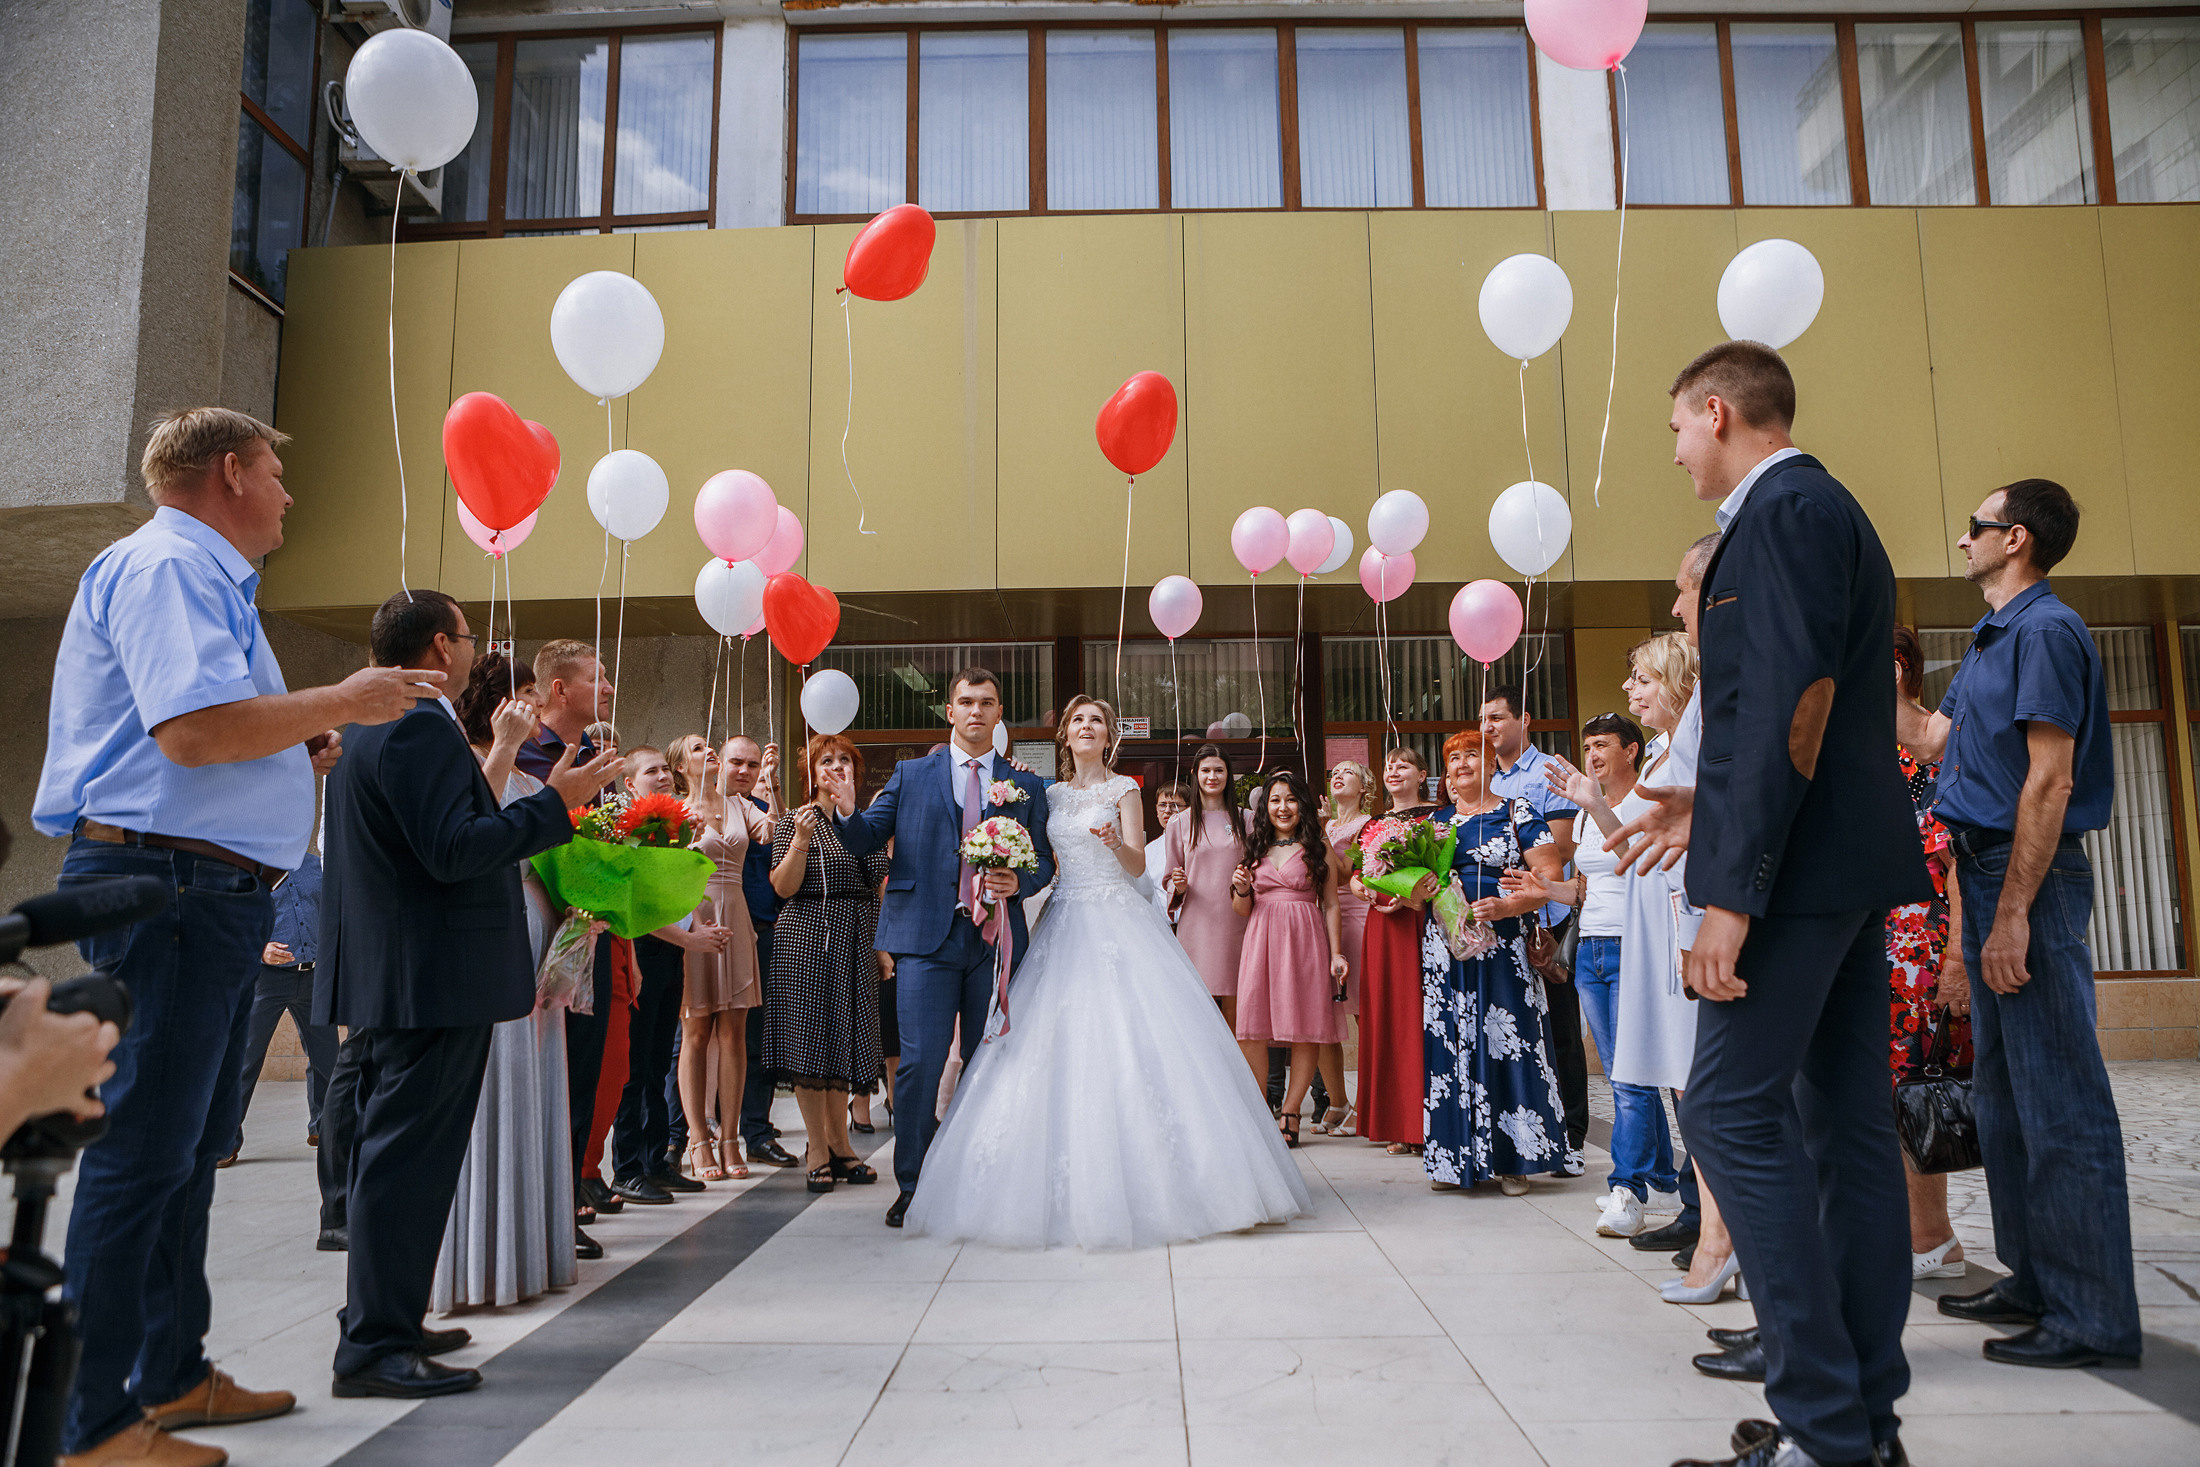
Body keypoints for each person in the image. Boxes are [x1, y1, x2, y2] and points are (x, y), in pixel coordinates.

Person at [34, 408, 439, 1467]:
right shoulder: (172, 564)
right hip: (171, 887)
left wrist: (292, 743)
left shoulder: (200, 576)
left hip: (196, 887)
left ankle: (169, 1374)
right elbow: (193, 731)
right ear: (229, 473)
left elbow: (204, 736)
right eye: (274, 473)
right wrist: (343, 698)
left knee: (183, 1152)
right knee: (144, 1152)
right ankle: (91, 1424)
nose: (287, 495)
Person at [1647, 342, 1931, 1467]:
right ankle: (1860, 1427)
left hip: (1798, 879)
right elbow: (1793, 714)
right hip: (1838, 867)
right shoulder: (1819, 510)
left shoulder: (1781, 515)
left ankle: (1823, 1425)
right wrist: (1701, 811)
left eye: (1678, 428)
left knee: (1725, 1113)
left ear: (1718, 412)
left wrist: (1733, 890)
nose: (1677, 451)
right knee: (1845, 1132)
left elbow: (1789, 708)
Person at [318, 590, 620, 1400]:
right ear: (440, 648)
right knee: (405, 1162)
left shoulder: (371, 721)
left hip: (404, 972)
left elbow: (430, 838)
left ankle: (387, 1317)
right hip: (430, 976)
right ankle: (374, 1344)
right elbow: (454, 850)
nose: (475, 649)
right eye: (468, 635)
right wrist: (556, 804)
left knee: (400, 1158)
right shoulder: (418, 724)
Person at [904, 696, 1309, 1248]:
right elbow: (1036, 856)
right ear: (1066, 736)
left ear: (1109, 734)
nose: (1086, 727)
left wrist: (1118, 843)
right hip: (1064, 917)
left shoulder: (1125, 790)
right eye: (1078, 721)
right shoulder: (1048, 793)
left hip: (1117, 917)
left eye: (1096, 720)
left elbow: (1140, 865)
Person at [1911, 478, 2141, 1372]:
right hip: (1987, 870)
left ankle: (2093, 1317)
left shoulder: (2046, 631)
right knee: (2005, 1101)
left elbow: (2050, 781)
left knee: (2060, 1101)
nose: (1961, 538)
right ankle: (2036, 1280)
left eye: (1973, 526)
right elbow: (1933, 741)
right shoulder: (1992, 636)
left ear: (2015, 538)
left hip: (2027, 878)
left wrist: (2011, 917)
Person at [823, 669, 1057, 1228]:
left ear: (999, 714)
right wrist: (848, 810)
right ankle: (914, 1185)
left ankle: (979, 1185)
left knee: (988, 1064)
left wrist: (1019, 881)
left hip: (995, 940)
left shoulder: (1025, 784)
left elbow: (1046, 860)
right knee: (920, 1065)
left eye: (987, 702)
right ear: (949, 712)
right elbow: (865, 839)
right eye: (966, 702)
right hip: (925, 939)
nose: (976, 711)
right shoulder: (910, 774)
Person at [433, 651, 585, 1310]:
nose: (535, 706)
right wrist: (506, 750)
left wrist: (580, 913)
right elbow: (471, 836)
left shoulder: (526, 775)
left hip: (536, 936)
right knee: (493, 1081)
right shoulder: (464, 762)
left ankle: (528, 1252)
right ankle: (479, 1259)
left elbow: (550, 859)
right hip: (490, 933)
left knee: (534, 1082)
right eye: (524, 695)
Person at [1524, 711, 1676, 1237]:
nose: (1592, 756)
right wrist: (1545, 889)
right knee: (1623, 1074)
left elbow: (1638, 860)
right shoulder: (1588, 812)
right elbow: (1585, 889)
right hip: (1591, 949)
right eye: (1587, 746)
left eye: (1603, 745)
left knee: (1632, 1078)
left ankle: (1627, 1188)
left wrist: (1594, 804)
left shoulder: (1646, 799)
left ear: (1631, 751)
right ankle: (1663, 1178)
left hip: (1635, 945)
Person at [1417, 731, 1574, 1195]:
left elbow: (1549, 878)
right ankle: (1453, 1160)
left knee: (1509, 1042)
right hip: (1447, 949)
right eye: (1454, 758)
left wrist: (1508, 907)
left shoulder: (1517, 812)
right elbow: (1412, 893)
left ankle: (1514, 1161)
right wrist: (1412, 890)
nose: (1463, 763)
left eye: (1473, 755)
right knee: (1451, 1043)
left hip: (1503, 946)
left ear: (1491, 766)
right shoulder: (1434, 823)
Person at [519, 640, 623, 1223]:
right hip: (538, 928)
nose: (608, 687)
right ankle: (536, 1205)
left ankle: (567, 1199)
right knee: (541, 1070)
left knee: (584, 1066)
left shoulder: (597, 758)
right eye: (597, 677)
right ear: (559, 689)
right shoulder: (524, 754)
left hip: (590, 928)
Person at [769, 736, 894, 1197]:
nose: (837, 766)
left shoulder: (864, 823)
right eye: (827, 760)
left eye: (845, 760)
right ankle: (817, 1149)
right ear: (812, 772)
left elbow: (877, 883)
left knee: (845, 1039)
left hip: (856, 936)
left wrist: (881, 947)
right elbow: (782, 887)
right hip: (806, 935)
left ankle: (841, 1145)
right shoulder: (795, 821)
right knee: (810, 1043)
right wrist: (801, 841)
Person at [1889, 625, 1973, 1282]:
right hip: (1877, 943)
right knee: (1882, 1093)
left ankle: (1933, 1236)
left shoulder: (1927, 757)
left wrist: (1957, 961)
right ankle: (1910, 1233)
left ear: (1894, 670)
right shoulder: (1871, 752)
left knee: (1915, 1088)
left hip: (1919, 948)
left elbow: (1957, 865)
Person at [608, 746, 723, 1204]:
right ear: (630, 783)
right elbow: (635, 905)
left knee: (658, 1062)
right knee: (635, 1067)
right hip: (641, 951)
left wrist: (696, 926)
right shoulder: (624, 832)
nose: (661, 777)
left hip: (671, 954)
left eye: (662, 770)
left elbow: (679, 893)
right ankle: (627, 1168)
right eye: (650, 771)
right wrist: (690, 940)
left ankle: (656, 1161)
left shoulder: (673, 829)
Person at [1481, 686, 1588, 1161]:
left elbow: (1560, 850)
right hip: (1497, 925)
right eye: (1484, 719)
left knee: (1560, 1030)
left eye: (1497, 717)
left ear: (1524, 719)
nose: (1488, 727)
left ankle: (1572, 1134)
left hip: (1546, 920)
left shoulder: (1547, 772)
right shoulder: (1483, 778)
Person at [669, 734, 771, 1180]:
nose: (708, 749)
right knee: (695, 1031)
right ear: (680, 767)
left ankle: (731, 1138)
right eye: (696, 748)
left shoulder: (739, 804)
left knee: (735, 1033)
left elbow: (773, 832)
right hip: (695, 916)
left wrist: (772, 783)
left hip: (737, 914)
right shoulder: (674, 809)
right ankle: (697, 1137)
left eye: (709, 745)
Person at [1232, 770, 1352, 1145]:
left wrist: (1336, 952)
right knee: (1252, 1027)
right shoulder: (1254, 847)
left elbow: (1331, 904)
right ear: (1265, 808)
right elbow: (1241, 909)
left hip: (1305, 938)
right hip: (1261, 938)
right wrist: (1241, 890)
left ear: (1302, 804)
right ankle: (1259, 1108)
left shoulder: (1317, 845)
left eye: (1291, 799)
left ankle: (1291, 1111)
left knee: (1304, 1027)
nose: (1283, 807)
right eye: (1275, 800)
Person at [225, 848, 336, 1163]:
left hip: (315, 977)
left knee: (327, 1058)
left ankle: (325, 1129)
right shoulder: (249, 868)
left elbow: (333, 912)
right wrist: (260, 949)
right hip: (266, 980)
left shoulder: (316, 866)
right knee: (244, 1060)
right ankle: (224, 1139)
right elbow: (232, 920)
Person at [1355, 746, 1435, 1154]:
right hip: (1383, 926)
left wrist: (1413, 894)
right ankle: (1396, 1121)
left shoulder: (1439, 817)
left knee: (1420, 1016)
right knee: (1388, 1017)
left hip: (1422, 923)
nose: (1394, 771)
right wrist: (1364, 889)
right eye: (1389, 766)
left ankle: (1426, 1123)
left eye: (1404, 765)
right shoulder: (1374, 823)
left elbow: (1441, 870)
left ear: (1422, 775)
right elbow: (1356, 874)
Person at [1162, 744, 1251, 1026]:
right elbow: (1169, 877)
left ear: (1229, 775)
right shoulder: (1179, 822)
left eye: (1219, 770)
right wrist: (1178, 885)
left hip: (1237, 919)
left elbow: (1256, 869)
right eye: (1206, 770)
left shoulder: (1246, 819)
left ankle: (1238, 1057)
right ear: (1195, 774)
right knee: (1199, 1009)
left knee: (1238, 1004)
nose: (1212, 776)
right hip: (1197, 923)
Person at [1316, 761, 1382, 1136]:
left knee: (1362, 1016)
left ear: (1364, 788)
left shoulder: (1368, 826)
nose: (1338, 776)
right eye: (1335, 773)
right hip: (1321, 919)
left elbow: (1344, 872)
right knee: (1323, 1017)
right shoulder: (1324, 825)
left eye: (1348, 773)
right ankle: (1337, 1100)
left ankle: (1368, 1105)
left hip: (1355, 919)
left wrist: (1323, 834)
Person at [1134, 779, 1192, 921]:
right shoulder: (1148, 851)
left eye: (1174, 805)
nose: (1167, 811)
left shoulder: (1198, 845)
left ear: (1189, 809)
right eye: (1162, 805)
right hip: (1160, 926)